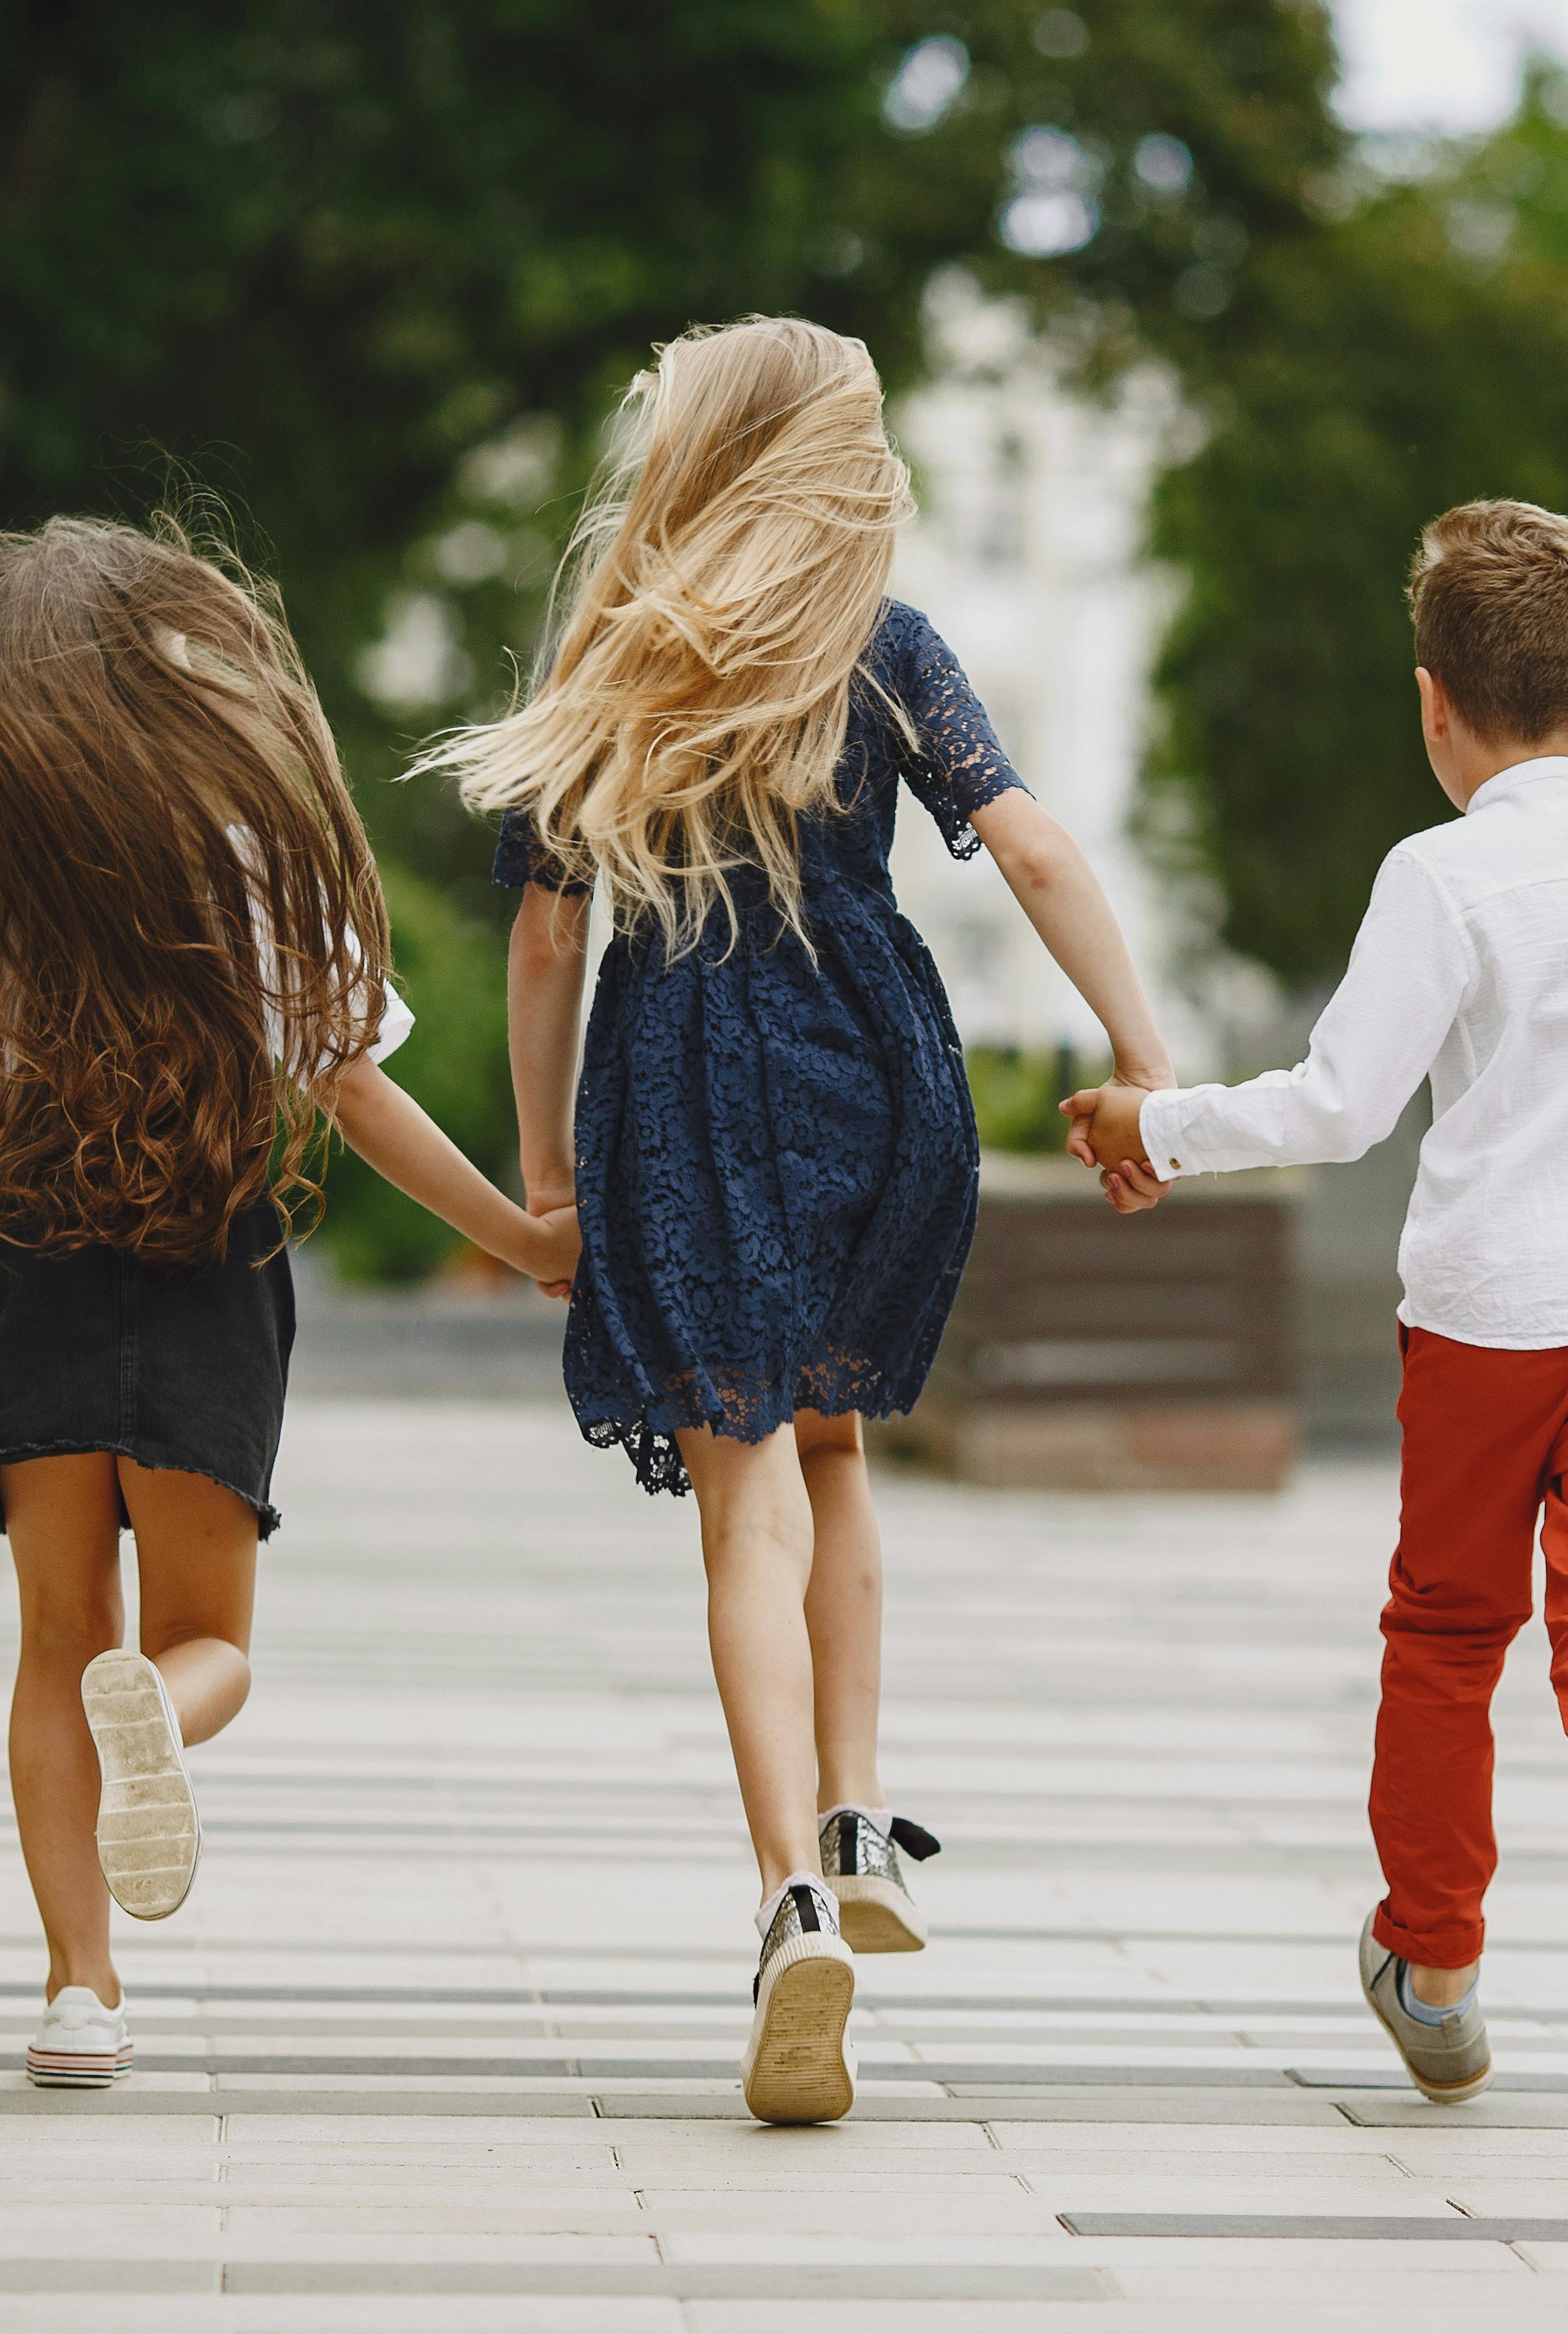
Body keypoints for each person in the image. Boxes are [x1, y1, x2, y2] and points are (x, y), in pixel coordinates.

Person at [424, 318, 1173, 2125]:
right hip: (878, 1075)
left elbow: (543, 940)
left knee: (742, 1494)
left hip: (684, 1084)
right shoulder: (884, 649)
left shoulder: (620, 651)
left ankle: (784, 1898)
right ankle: (857, 1812)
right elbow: (1043, 850)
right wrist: (1146, 1060)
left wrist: (542, 1172)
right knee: (831, 1448)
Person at [1067, 499, 1568, 2138]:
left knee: (1450, 1641)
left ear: (1429, 703)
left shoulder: (1440, 875)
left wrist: (1148, 1128)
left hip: (1488, 1321)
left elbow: (1338, 1105)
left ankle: (1438, 1972)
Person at [0, 515, 579, 2090]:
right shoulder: (257, 867)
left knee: (58, 1637)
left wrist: (67, 1183)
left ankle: (80, 1992)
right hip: (211, 1269)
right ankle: (165, 1710)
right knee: (207, 1641)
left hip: (46, 1283)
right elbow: (358, 1095)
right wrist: (523, 1237)